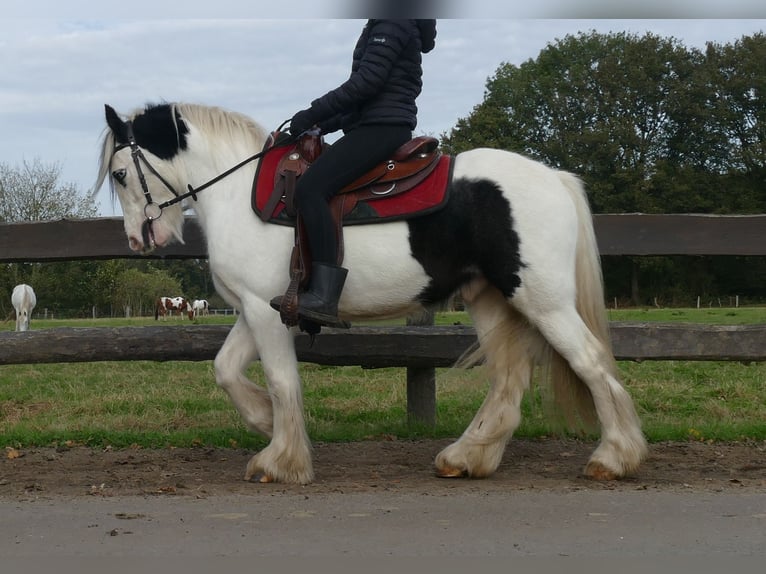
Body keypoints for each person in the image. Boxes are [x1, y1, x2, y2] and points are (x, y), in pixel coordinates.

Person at [271, 19, 437, 328]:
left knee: (310, 190)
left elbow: (366, 83)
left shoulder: (391, 21)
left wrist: (313, 111)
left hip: (381, 129)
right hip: (376, 123)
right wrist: (319, 126)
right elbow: (364, 100)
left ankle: (323, 297)